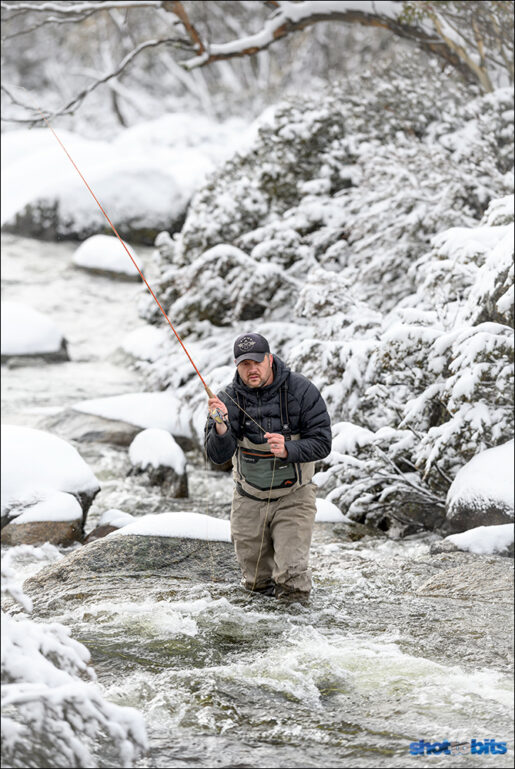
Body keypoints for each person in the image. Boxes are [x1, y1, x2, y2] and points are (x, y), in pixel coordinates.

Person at [205, 332, 331, 602]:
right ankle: (262, 639)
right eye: (244, 364)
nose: (251, 369)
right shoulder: (225, 399)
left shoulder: (301, 391)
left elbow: (323, 443)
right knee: (255, 584)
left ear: (269, 359)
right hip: (248, 500)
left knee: (291, 579)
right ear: (237, 365)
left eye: (257, 362)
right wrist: (221, 426)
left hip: (294, 498)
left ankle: (294, 635)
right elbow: (217, 456)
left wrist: (289, 449)